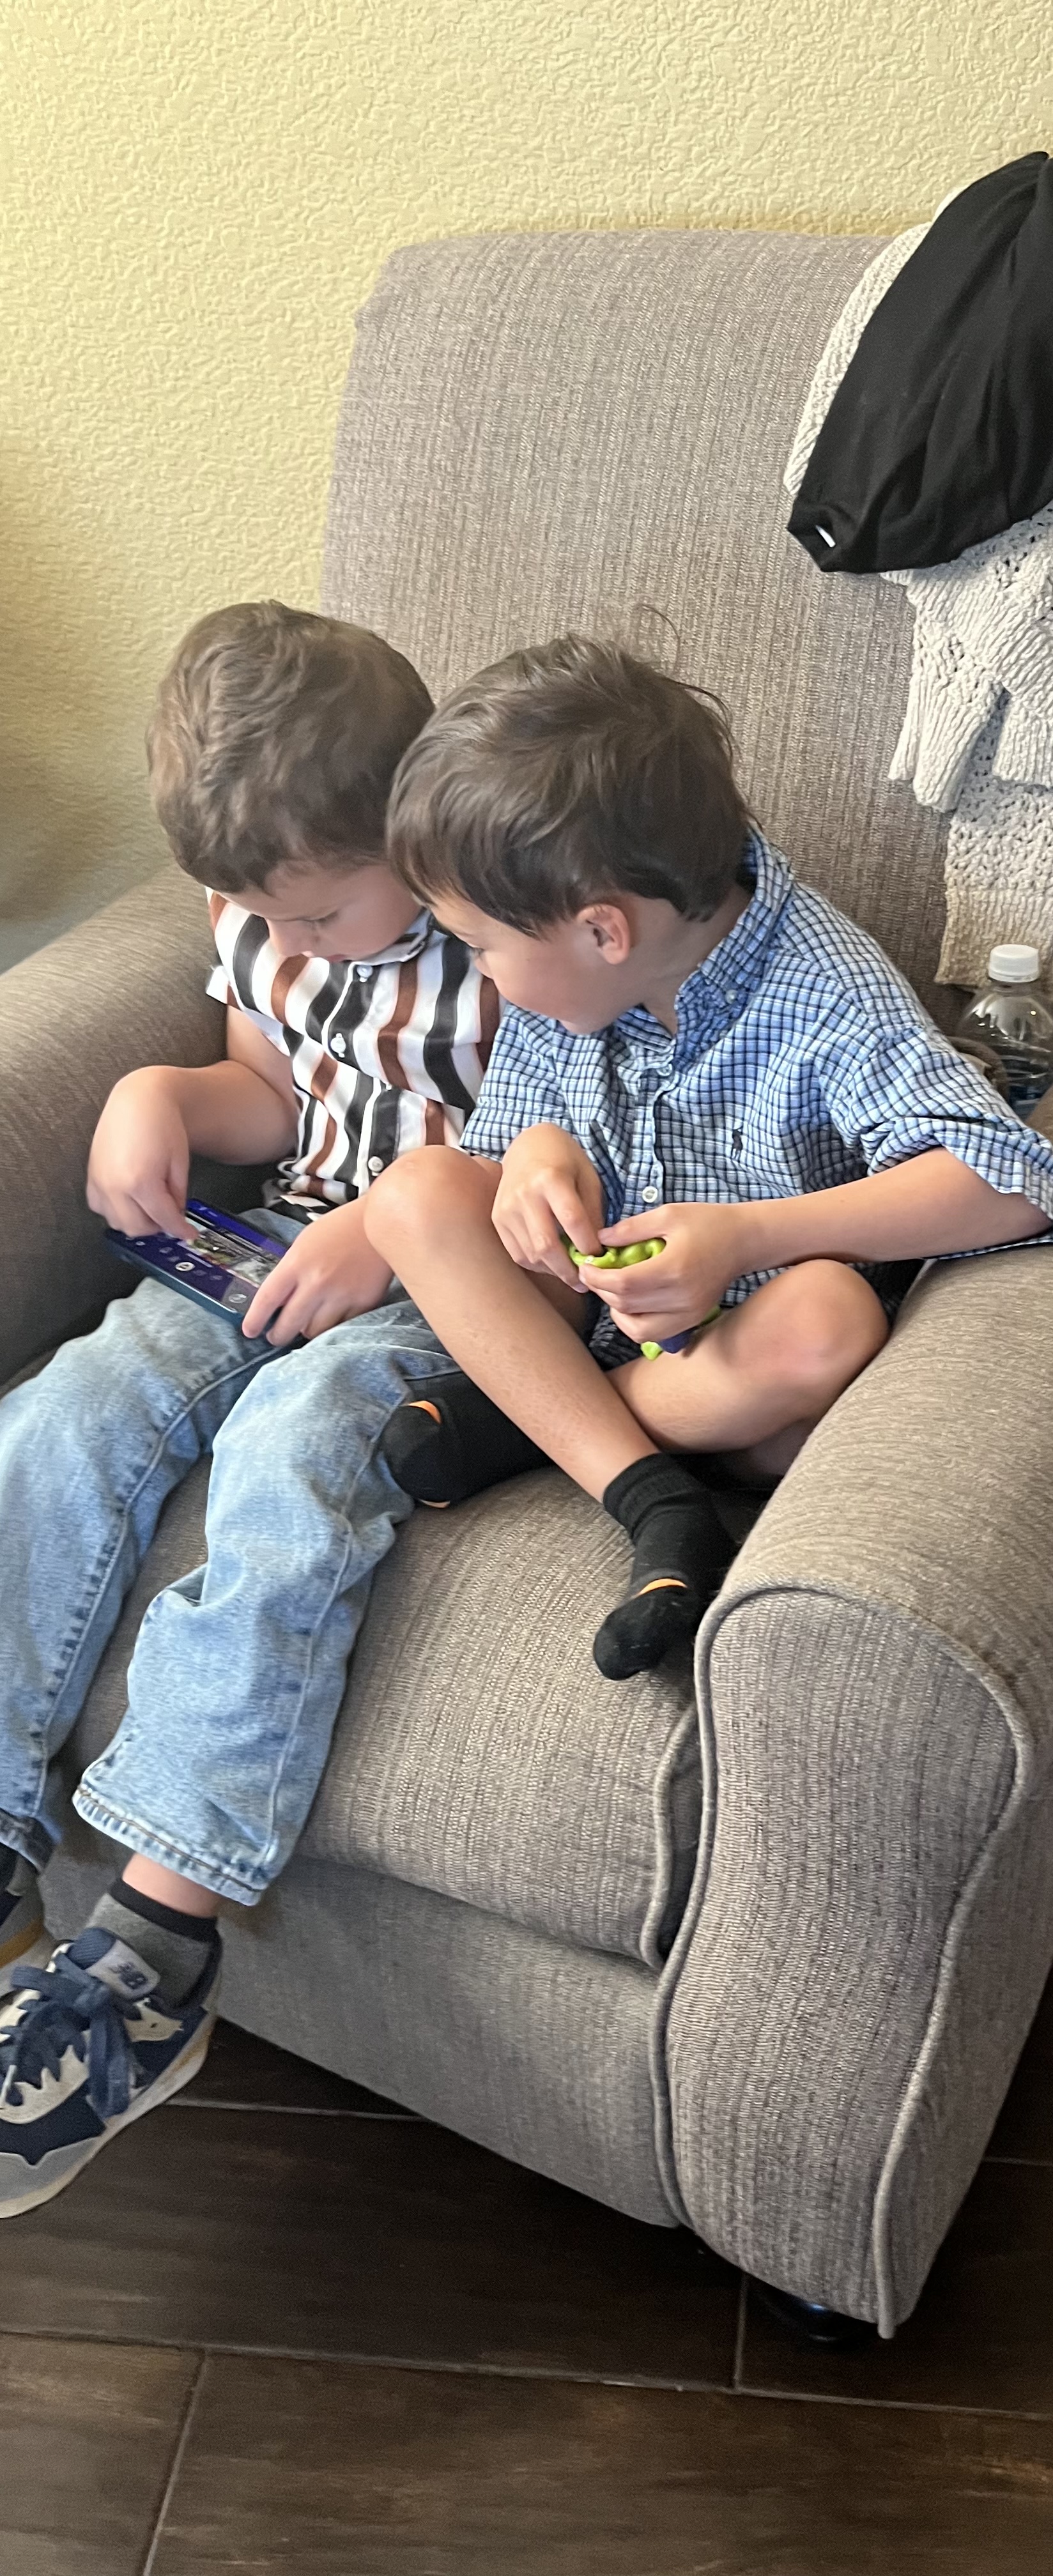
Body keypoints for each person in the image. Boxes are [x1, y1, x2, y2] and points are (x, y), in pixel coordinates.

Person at [0, 601, 496, 2218]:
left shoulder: (497, 918)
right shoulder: (266, 922)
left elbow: (577, 1150)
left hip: (458, 1285)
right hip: (273, 1240)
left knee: (292, 1453)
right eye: (258, 914)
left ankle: (153, 1959)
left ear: (411, 832)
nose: (295, 941)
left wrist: (398, 1229)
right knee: (62, 1416)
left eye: (323, 910)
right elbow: (272, 1092)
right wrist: (163, 1097)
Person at [362, 633, 1053, 1685]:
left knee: (829, 1320)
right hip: (599, 1316)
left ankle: (537, 1423)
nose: (483, 975)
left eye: (481, 947)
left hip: (733, 1365)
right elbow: (506, 1141)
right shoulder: (573, 979)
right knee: (413, 1194)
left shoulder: (827, 993)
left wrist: (747, 1237)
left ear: (603, 931)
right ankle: (652, 1493)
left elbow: (1012, 1182)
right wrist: (535, 1157)